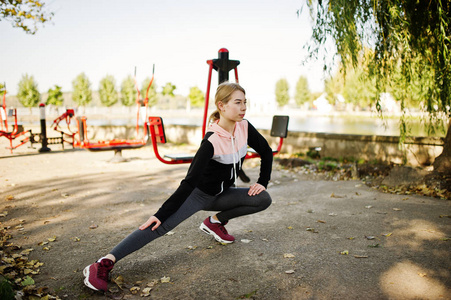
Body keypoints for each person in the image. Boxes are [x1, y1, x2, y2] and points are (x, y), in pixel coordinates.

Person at [83, 82, 274, 292]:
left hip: (222, 194)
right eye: (237, 103)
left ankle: (215, 222)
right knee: (160, 226)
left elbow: (266, 151)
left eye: (244, 102)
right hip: (198, 195)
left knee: (263, 199)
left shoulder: (244, 127)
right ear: (222, 105)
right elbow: (189, 182)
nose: (243, 107)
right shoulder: (211, 141)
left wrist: (261, 182)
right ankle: (103, 263)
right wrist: (161, 213)